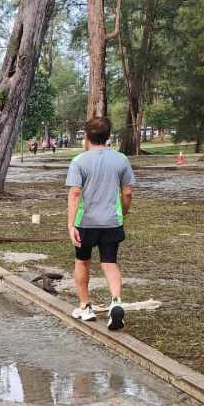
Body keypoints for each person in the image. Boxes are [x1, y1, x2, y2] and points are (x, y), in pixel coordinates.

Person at [66, 116, 134, 331]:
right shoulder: (121, 160)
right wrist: (122, 212)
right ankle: (116, 301)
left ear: (86, 137)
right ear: (107, 137)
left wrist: (70, 225)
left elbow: (75, 193)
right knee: (109, 262)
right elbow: (128, 192)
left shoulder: (79, 161)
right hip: (111, 222)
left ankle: (86, 307)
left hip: (85, 222)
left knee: (82, 261)